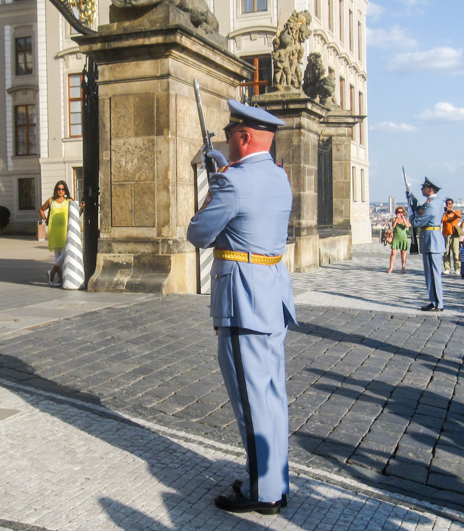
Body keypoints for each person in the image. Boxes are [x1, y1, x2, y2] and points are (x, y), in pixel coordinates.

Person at [187, 100, 295, 516]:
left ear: (244, 137)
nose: (227, 143)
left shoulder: (232, 183)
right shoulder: (277, 177)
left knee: (251, 401)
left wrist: (217, 185)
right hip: (271, 295)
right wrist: (226, 172)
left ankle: (260, 491)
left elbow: (200, 233)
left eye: (230, 138)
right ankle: (274, 481)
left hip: (242, 300)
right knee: (271, 395)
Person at [410, 177, 444, 311]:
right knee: (432, 273)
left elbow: (417, 222)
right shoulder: (437, 202)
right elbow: (420, 210)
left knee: (432, 274)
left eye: (423, 187)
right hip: (432, 239)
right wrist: (412, 200)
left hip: (431, 241)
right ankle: (435, 301)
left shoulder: (430, 204)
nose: (421, 190)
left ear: (430, 189)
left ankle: (437, 303)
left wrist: (411, 214)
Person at [39, 181, 74, 288]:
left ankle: (51, 273)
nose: (60, 191)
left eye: (62, 189)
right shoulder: (51, 200)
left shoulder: (69, 200)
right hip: (54, 231)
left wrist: (81, 207)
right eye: (58, 189)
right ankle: (60, 280)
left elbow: (76, 212)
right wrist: (46, 219)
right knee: (58, 256)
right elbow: (41, 209)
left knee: (64, 255)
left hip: (65, 231)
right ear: (56, 190)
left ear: (65, 190)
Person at [441, 198, 463, 275]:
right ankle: (447, 268)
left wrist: (452, 211)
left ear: (452, 204)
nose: (448, 205)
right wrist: (444, 212)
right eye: (447, 204)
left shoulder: (456, 212)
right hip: (446, 234)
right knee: (446, 252)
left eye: (450, 204)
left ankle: (457, 268)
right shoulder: (443, 214)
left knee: (455, 252)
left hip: (454, 234)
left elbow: (460, 216)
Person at [387, 207, 410, 274]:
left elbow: (407, 226)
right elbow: (393, 226)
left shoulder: (406, 219)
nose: (400, 213)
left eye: (401, 212)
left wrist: (403, 218)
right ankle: (391, 267)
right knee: (393, 252)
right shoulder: (394, 219)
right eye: (398, 212)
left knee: (403, 252)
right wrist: (397, 219)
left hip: (403, 237)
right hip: (396, 237)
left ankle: (403, 268)